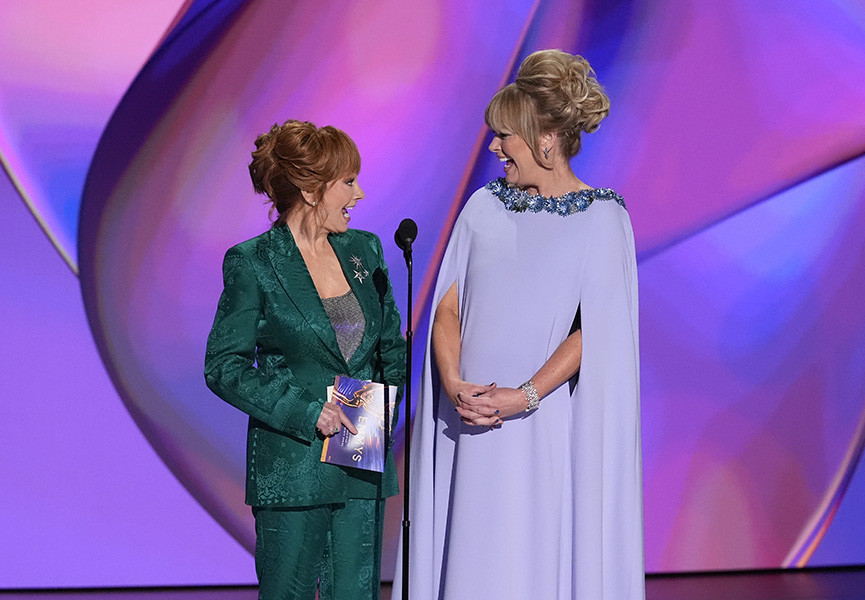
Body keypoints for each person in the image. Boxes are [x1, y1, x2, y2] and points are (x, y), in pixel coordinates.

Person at [396, 50, 644, 599]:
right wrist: (454, 384)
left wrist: (524, 395)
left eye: (504, 135)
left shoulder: (602, 219)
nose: (494, 147)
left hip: (538, 423)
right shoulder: (482, 207)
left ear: (545, 139)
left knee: (526, 557)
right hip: (468, 418)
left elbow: (598, 332)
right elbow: (447, 307)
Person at [205, 120, 406, 600]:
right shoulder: (253, 261)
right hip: (293, 463)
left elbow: (391, 350)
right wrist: (307, 412)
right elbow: (224, 366)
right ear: (312, 191)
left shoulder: (365, 250)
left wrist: (378, 418)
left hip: (361, 454)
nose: (359, 194)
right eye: (348, 182)